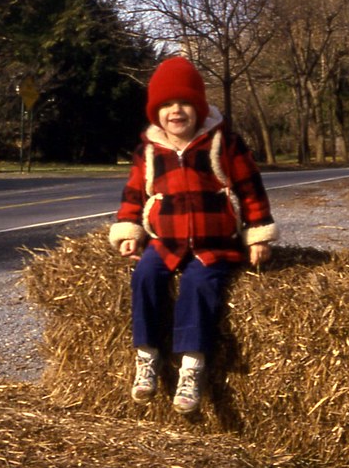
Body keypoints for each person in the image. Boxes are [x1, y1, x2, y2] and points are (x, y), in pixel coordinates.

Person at [109, 56, 277, 414]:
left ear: (199, 107)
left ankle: (191, 367)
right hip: (165, 241)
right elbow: (134, 194)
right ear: (156, 112)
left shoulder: (224, 143)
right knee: (145, 275)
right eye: (167, 104)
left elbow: (251, 189)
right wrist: (130, 231)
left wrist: (258, 235)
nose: (176, 111)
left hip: (213, 244)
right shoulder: (149, 150)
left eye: (184, 102)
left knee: (200, 285)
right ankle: (147, 356)